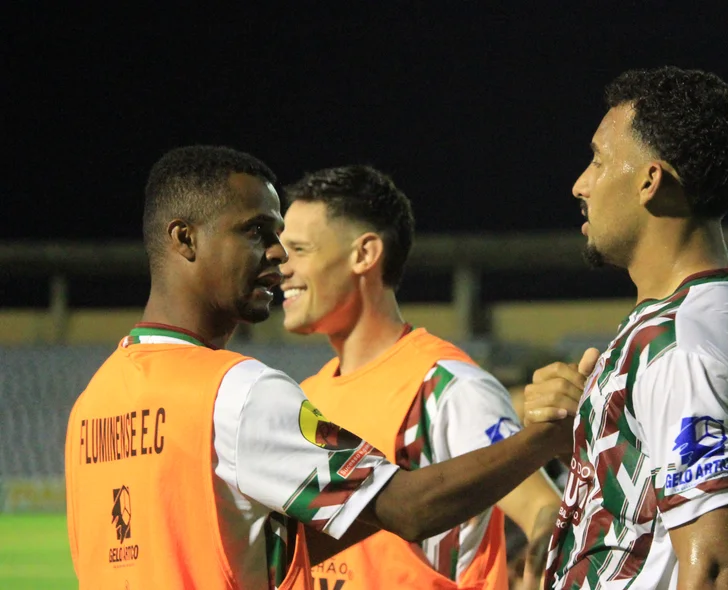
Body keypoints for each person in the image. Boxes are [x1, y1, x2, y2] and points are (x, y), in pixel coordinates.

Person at [63, 146, 572, 590]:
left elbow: (249, 550)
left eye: (290, 241)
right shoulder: (241, 393)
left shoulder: (92, 404)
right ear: (186, 238)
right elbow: (407, 510)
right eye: (257, 232)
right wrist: (547, 437)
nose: (279, 256)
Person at [523, 66, 728, 589]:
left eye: (598, 159)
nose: (581, 183)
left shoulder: (681, 344)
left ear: (650, 181)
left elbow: (716, 565)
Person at [277, 165, 563, 590]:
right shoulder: (304, 397)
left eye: (299, 250)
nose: (282, 267)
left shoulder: (448, 388)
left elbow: (544, 508)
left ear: (364, 254)